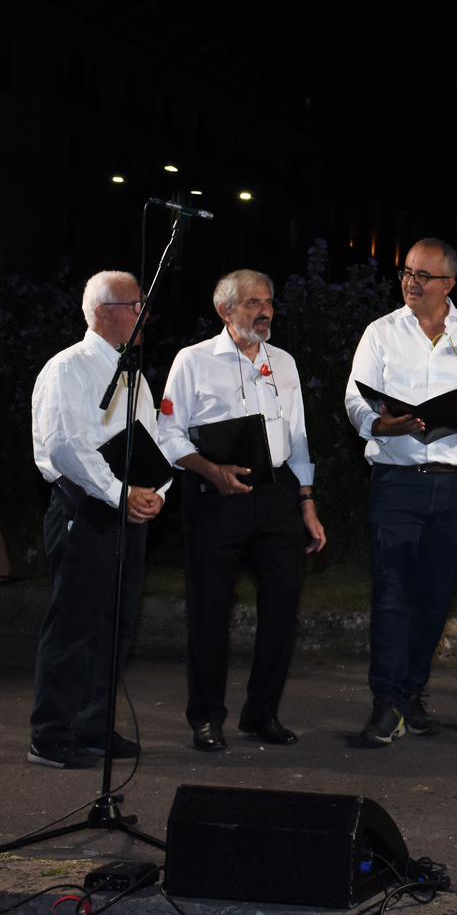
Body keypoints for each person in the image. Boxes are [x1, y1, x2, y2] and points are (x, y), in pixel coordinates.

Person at [345, 238, 457, 746]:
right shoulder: (381, 333)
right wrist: (381, 424)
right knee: (393, 595)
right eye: (407, 273)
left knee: (435, 597)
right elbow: (355, 398)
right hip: (396, 481)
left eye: (423, 275)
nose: (411, 282)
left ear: (449, 284)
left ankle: (411, 694)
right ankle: (386, 701)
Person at [159, 270, 326, 753]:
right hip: (216, 495)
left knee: (282, 605)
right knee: (210, 608)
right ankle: (206, 717)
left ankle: (262, 713)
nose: (264, 310)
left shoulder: (285, 363)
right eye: (253, 302)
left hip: (276, 495)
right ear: (225, 311)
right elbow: (168, 431)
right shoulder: (193, 361)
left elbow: (298, 437)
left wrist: (307, 504)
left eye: (269, 301)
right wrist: (209, 470)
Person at [29, 271, 167, 769]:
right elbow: (66, 446)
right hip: (84, 510)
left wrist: (155, 492)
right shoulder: (69, 368)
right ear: (106, 311)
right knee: (74, 624)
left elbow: (154, 441)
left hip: (128, 511)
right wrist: (118, 492)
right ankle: (49, 733)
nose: (145, 314)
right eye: (137, 305)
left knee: (116, 626)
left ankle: (92, 725)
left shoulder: (134, 374)